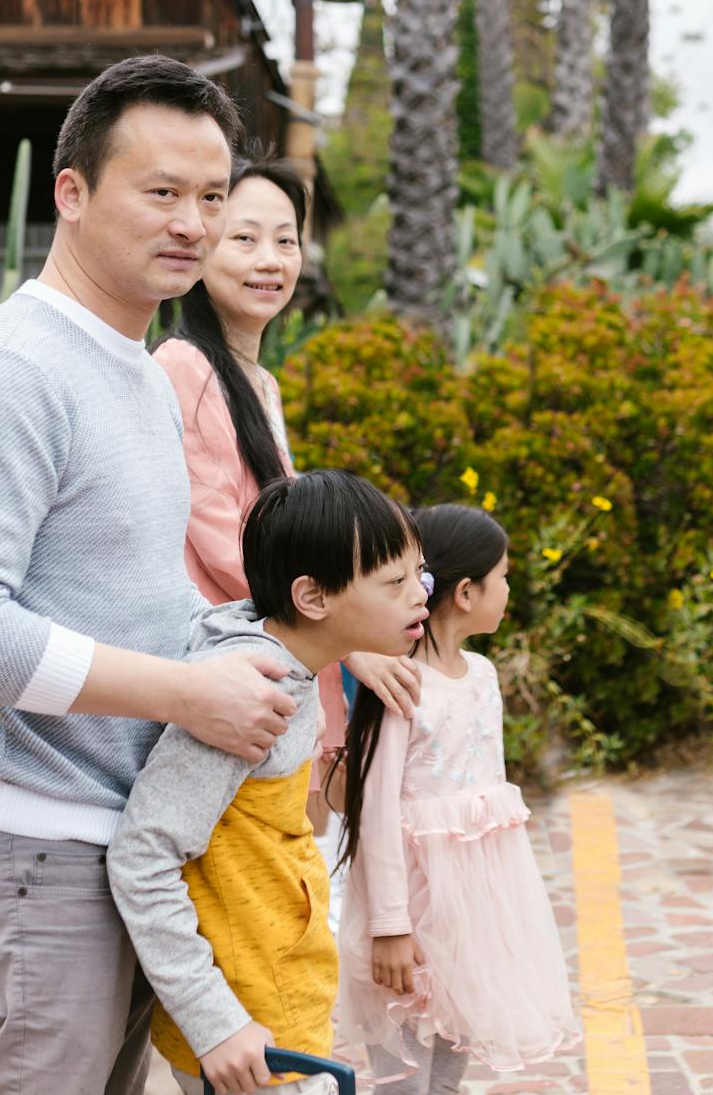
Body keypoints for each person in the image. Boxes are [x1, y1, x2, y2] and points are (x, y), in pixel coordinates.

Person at [0, 55, 299, 1095]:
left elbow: (130, 586)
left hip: (118, 850)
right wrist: (186, 693)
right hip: (30, 858)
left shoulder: (134, 359)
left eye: (211, 196)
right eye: (159, 191)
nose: (193, 223)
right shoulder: (12, 371)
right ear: (71, 192)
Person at [149, 147, 419, 915]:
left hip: (287, 676)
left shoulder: (254, 379)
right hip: (241, 686)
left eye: (286, 239)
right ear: (200, 245)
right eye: (244, 238)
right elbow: (229, 545)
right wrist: (352, 634)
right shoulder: (184, 367)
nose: (270, 260)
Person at [109, 470, 432, 1095]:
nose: (419, 594)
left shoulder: (290, 665)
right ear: (312, 598)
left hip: (276, 993)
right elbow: (141, 854)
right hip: (249, 1027)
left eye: (421, 574)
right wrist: (216, 1024)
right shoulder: (250, 696)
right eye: (395, 582)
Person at [334, 505, 579, 1093]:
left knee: (451, 1064)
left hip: (475, 911)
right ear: (467, 592)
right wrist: (390, 926)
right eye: (503, 575)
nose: (509, 587)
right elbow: (374, 810)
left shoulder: (483, 676)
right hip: (413, 911)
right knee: (406, 1074)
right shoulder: (400, 683)